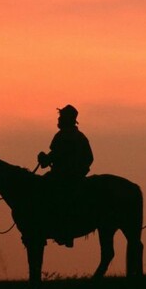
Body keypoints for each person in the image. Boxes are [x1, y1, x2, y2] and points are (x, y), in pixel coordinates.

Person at [37, 104, 94, 247]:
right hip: (64, 175)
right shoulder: (76, 136)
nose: (58, 119)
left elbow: (56, 156)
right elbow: (88, 158)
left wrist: (48, 160)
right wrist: (45, 158)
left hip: (65, 178)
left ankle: (60, 230)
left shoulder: (66, 136)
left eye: (61, 117)